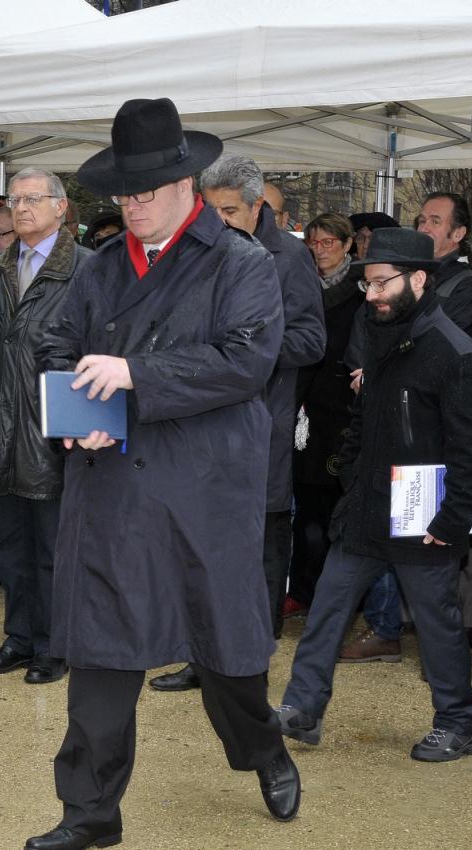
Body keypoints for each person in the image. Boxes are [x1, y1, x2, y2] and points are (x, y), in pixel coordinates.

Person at [28, 98, 297, 850]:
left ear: (187, 182)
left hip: (203, 491)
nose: (132, 207)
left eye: (145, 193)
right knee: (101, 658)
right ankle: (89, 813)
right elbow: (56, 342)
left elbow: (246, 362)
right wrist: (73, 413)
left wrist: (136, 372)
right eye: (122, 194)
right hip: (112, 487)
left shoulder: (244, 263)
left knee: (225, 657)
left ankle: (262, 746)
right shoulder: (103, 267)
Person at [275, 227, 472, 761]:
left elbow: (471, 448)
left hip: (423, 513)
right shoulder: (377, 332)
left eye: (379, 284)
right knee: (328, 607)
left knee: (437, 622)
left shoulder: (454, 353)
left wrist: (451, 520)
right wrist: (350, 473)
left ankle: (459, 722)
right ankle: (302, 708)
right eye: (366, 284)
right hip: (366, 505)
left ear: (418, 279)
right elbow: (361, 416)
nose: (370, 295)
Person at [149, 155, 324, 693]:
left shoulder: (287, 257)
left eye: (231, 210)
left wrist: (242, 355)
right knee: (199, 542)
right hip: (197, 426)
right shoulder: (196, 252)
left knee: (259, 548)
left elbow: (311, 340)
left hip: (257, 425)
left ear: (257, 209)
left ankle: (249, 657)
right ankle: (201, 653)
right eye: (212, 209)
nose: (220, 219)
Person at [0, 167, 90, 686]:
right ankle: (19, 637)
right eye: (16, 200)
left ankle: (55, 645)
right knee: (8, 544)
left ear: (61, 207)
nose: (22, 208)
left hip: (55, 430)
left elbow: (96, 353)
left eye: (34, 199)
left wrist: (81, 428)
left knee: (53, 547)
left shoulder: (86, 268)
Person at [290, 212, 362, 620]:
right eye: (313, 243)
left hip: (343, 412)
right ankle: (302, 589)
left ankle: (332, 600)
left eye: (328, 243)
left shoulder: (362, 290)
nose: (319, 251)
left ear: (347, 244)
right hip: (305, 411)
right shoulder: (301, 285)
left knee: (335, 509)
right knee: (306, 508)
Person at [415, 191, 472, 343]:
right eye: (422, 221)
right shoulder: (404, 271)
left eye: (435, 222)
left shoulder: (468, 286)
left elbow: (447, 348)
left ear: (458, 234)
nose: (424, 229)